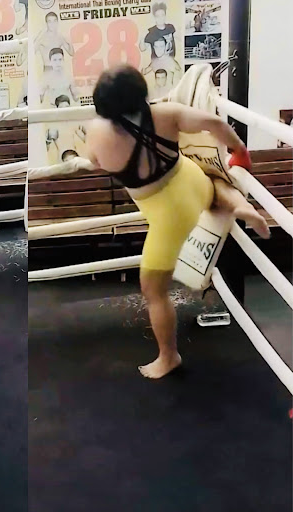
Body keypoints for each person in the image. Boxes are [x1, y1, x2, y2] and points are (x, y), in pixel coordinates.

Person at [85, 65, 270, 379]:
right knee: (214, 185)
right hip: (192, 182)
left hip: (167, 215)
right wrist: (239, 151)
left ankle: (168, 357)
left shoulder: (98, 133)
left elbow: (94, 161)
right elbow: (214, 123)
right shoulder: (166, 113)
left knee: (154, 291)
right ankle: (240, 205)